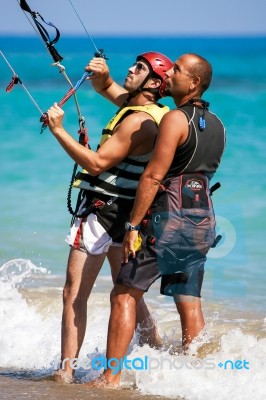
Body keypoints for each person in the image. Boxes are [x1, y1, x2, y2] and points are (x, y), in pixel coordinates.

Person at [88, 53, 226, 388]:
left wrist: (133, 226)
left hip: (168, 216)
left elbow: (152, 176)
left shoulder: (175, 119)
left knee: (123, 294)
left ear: (193, 83)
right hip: (201, 218)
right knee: (188, 300)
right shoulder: (219, 124)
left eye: (177, 70)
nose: (171, 73)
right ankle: (197, 379)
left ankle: (110, 378)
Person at [46, 51, 173, 382]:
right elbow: (111, 90)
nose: (131, 69)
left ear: (155, 83)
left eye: (139, 68)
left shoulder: (134, 121)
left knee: (73, 294)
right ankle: (155, 349)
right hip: (129, 216)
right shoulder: (157, 113)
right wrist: (103, 74)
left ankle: (65, 373)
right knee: (127, 291)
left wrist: (58, 130)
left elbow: (96, 164)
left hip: (101, 213)